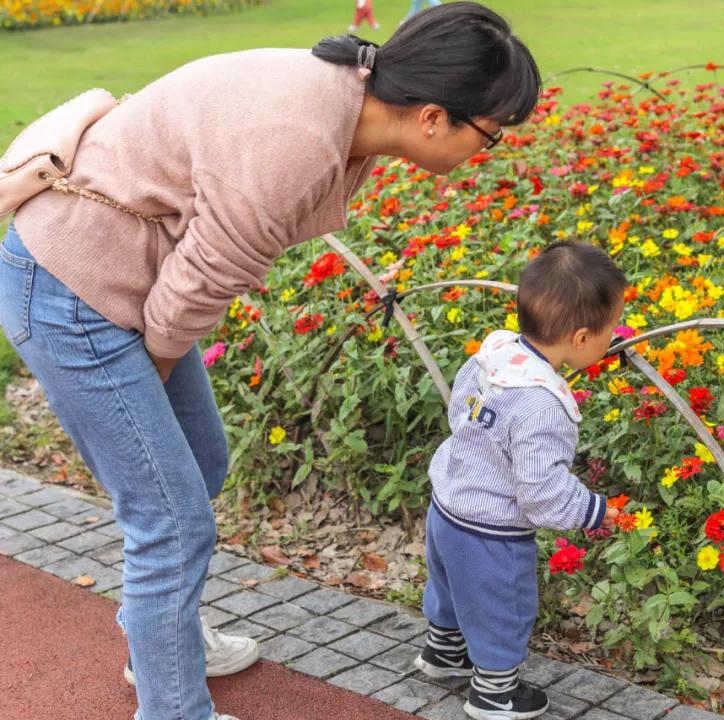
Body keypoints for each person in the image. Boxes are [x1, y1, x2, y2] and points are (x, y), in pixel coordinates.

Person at [0, 4, 539, 720]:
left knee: (202, 463)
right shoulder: (299, 140)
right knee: (171, 519)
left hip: (123, 277)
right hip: (72, 288)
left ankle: (162, 640)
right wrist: (153, 371)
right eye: (492, 137)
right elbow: (201, 278)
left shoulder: (353, 101)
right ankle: (171, 706)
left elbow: (195, 274)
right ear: (434, 117)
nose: (489, 152)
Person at [412, 242, 625, 720]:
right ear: (582, 337)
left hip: (447, 503)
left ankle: (443, 654)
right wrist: (593, 510)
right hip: (491, 530)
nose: (613, 341)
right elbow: (540, 492)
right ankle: (494, 694)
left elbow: (458, 408)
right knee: (500, 608)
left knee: (449, 587)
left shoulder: (496, 353)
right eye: (611, 332)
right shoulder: (540, 406)